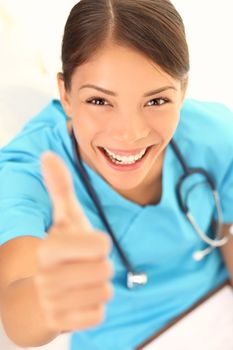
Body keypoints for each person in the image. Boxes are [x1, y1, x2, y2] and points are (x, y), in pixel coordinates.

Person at [0, 0, 233, 349]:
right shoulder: (28, 170)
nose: (129, 134)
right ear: (65, 94)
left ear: (183, 91)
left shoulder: (215, 133)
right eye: (99, 101)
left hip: (217, 307)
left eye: (156, 101)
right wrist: (49, 297)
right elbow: (17, 310)